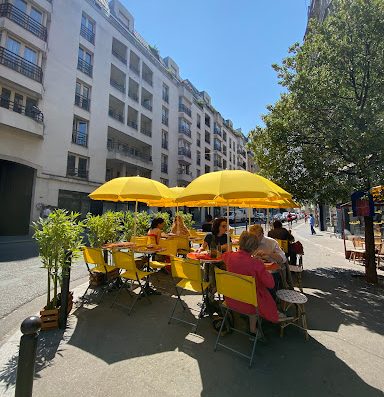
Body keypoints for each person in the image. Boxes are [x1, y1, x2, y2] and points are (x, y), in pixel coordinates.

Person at [222, 231, 278, 332]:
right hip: (250, 303)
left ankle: (251, 327)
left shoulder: (229, 256)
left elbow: (226, 256)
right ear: (254, 248)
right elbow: (271, 284)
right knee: (266, 294)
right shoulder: (256, 264)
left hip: (231, 298)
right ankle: (253, 329)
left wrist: (253, 260)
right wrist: (260, 264)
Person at [249, 224, 293, 289]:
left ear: (262, 234)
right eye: (252, 237)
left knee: (270, 287)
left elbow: (283, 259)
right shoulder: (250, 242)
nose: (254, 239)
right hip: (256, 270)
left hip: (271, 272)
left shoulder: (271, 242)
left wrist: (269, 253)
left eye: (256, 237)